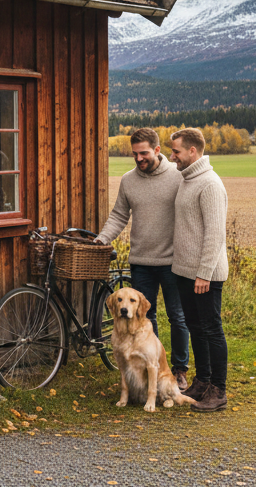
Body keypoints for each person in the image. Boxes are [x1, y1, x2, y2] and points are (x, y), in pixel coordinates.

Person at [96, 127, 189, 390]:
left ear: (158, 150)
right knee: (149, 318)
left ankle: (179, 370)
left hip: (173, 263)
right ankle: (152, 370)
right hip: (141, 263)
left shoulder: (177, 176)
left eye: (144, 153)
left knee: (178, 317)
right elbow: (118, 216)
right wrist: (103, 238)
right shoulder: (128, 180)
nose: (139, 159)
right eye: (134, 154)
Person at [169, 127, 229, 413]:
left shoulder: (210, 184)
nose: (172, 157)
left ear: (192, 151)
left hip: (204, 275)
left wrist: (204, 272)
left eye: (176, 151)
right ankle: (203, 381)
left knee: (211, 330)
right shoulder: (187, 179)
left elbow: (215, 233)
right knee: (195, 328)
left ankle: (218, 390)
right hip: (184, 271)